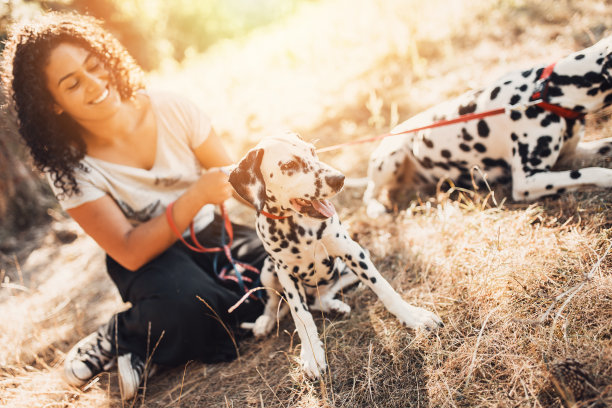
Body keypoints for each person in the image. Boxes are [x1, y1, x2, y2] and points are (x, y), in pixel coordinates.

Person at [1, 12, 267, 400]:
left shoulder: (173, 108)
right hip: (150, 260)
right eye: (72, 84)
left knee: (282, 274)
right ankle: (127, 332)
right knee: (192, 307)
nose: (95, 84)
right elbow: (129, 249)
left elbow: (238, 182)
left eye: (94, 65)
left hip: (212, 233)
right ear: (52, 104)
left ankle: (158, 332)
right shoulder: (68, 170)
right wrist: (194, 196)